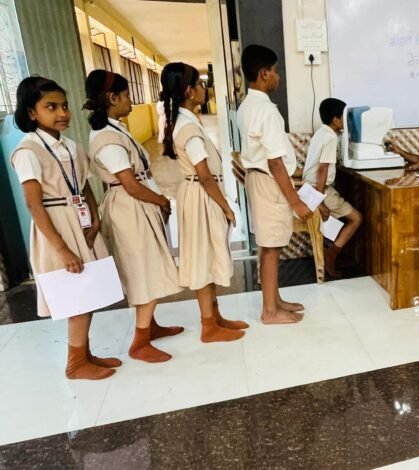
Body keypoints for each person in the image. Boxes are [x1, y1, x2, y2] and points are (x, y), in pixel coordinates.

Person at [11, 77, 118, 380]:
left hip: (79, 220)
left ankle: (85, 353)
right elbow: (34, 204)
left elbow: (83, 185)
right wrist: (61, 248)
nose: (62, 113)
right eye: (51, 107)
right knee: (75, 295)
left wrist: (95, 218)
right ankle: (75, 363)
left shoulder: (70, 146)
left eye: (65, 106)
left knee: (89, 290)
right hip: (56, 225)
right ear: (31, 112)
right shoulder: (29, 150)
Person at [84, 70, 184, 363]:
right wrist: (161, 200)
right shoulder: (107, 138)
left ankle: (150, 325)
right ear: (112, 98)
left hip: (137, 204)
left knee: (149, 264)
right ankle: (140, 342)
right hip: (130, 208)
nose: (130, 101)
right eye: (126, 95)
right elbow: (130, 184)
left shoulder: (115, 130)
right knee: (144, 270)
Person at [161, 62, 248, 342]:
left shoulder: (188, 121)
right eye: (200, 84)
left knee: (209, 255)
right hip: (201, 195)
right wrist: (226, 207)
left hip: (200, 193)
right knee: (203, 259)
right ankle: (208, 326)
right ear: (189, 91)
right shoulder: (188, 127)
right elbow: (205, 176)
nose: (204, 88)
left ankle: (215, 317)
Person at [237, 44, 311, 324]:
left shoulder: (247, 106)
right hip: (270, 182)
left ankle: (275, 300)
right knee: (270, 248)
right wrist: (296, 201)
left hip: (259, 180)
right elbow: (276, 163)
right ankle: (269, 312)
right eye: (276, 71)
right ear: (264, 73)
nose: (279, 76)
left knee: (271, 245)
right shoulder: (265, 110)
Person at [302, 98, 362, 278]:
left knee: (340, 218)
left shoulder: (321, 133)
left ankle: (334, 254)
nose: (346, 121)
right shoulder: (330, 138)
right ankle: (331, 256)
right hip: (320, 190)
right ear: (335, 120)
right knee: (356, 218)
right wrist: (319, 202)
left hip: (308, 188)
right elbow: (322, 170)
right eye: (344, 117)